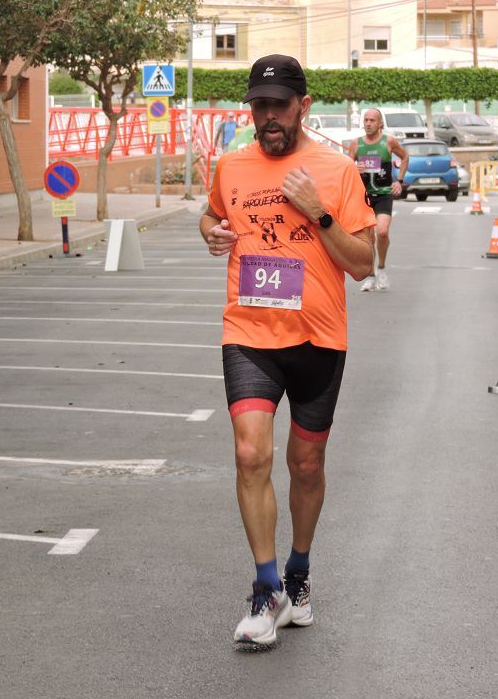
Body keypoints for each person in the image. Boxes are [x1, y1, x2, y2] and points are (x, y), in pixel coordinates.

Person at [200, 54, 375, 647]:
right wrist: (211, 233)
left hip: (318, 337)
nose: (268, 117)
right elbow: (211, 215)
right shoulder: (230, 165)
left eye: (279, 105)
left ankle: (299, 572)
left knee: (306, 464)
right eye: (259, 105)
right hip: (249, 333)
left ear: (303, 105)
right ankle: (266, 585)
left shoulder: (337, 169)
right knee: (251, 454)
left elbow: (364, 263)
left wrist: (318, 213)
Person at [347, 108, 407, 291]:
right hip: (364, 196)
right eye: (366, 120)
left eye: (372, 120)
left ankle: (381, 268)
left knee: (382, 232)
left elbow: (404, 157)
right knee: (368, 237)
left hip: (383, 194)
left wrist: (399, 181)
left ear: (380, 123)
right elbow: (347, 167)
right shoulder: (356, 144)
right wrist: (355, 168)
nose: (368, 123)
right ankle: (371, 276)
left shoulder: (388, 141)